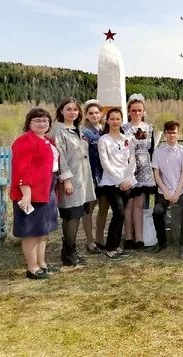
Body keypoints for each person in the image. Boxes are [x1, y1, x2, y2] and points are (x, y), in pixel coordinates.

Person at [11, 108, 59, 279]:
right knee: (31, 231)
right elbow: (22, 169)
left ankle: (42, 263)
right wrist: (26, 193)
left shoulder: (47, 140)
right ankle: (32, 267)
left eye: (45, 120)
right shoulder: (24, 141)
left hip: (47, 190)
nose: (42, 123)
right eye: (37, 120)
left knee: (43, 229)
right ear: (29, 123)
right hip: (31, 192)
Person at [51, 97, 97, 266]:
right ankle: (69, 255)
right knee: (71, 216)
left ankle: (70, 252)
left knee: (78, 214)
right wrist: (66, 179)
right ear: (61, 111)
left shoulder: (80, 130)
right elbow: (60, 155)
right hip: (70, 181)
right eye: (68, 109)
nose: (72, 112)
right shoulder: (59, 130)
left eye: (75, 109)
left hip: (83, 180)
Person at [98, 108, 136, 260]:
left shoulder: (127, 139)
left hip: (126, 182)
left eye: (117, 119)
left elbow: (132, 160)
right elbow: (105, 163)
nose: (115, 122)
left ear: (122, 120)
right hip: (111, 182)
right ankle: (110, 247)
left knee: (121, 215)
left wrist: (127, 179)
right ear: (107, 121)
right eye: (112, 119)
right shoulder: (104, 140)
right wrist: (119, 180)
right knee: (118, 212)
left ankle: (117, 245)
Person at [151, 121, 183, 258]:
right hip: (164, 190)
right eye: (168, 132)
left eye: (173, 132)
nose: (171, 135)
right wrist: (166, 192)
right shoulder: (158, 151)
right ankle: (162, 242)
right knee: (157, 212)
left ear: (178, 133)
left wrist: (177, 192)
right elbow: (156, 174)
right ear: (165, 134)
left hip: (181, 189)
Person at [121, 93, 156, 250]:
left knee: (139, 204)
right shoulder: (123, 128)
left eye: (139, 110)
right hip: (128, 168)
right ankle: (128, 237)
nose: (136, 113)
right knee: (128, 204)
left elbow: (152, 150)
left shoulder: (149, 128)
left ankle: (140, 239)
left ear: (143, 111)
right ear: (129, 111)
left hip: (144, 169)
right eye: (133, 110)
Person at [81, 100, 109, 253]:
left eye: (96, 113)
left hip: (105, 175)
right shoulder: (84, 132)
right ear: (86, 115)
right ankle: (90, 241)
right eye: (91, 113)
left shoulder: (105, 130)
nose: (94, 115)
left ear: (101, 114)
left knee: (104, 207)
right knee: (89, 209)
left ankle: (100, 238)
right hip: (90, 174)